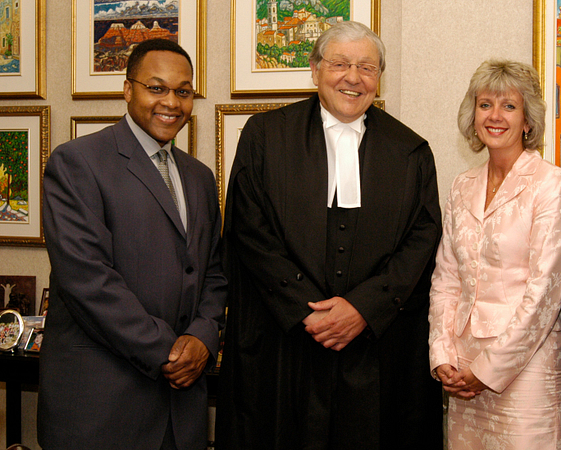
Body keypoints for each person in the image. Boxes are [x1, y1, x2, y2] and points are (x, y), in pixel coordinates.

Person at [216, 21, 443, 450]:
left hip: (375, 347)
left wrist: (361, 308)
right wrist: (309, 310)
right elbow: (248, 230)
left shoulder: (411, 150)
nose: (353, 78)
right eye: (340, 64)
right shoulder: (265, 136)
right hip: (286, 345)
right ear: (316, 69)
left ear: (379, 78)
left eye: (367, 67)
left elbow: (423, 240)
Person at [39, 39, 226, 450]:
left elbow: (213, 271)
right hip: (102, 407)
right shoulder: (78, 162)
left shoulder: (199, 177)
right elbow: (87, 280)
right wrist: (168, 351)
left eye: (183, 91)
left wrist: (203, 337)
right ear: (128, 90)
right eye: (156, 88)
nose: (171, 102)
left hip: (181, 411)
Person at [429, 59, 561, 448]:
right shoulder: (462, 185)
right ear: (472, 114)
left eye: (509, 106)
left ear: (528, 120)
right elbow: (447, 278)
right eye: (485, 104)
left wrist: (488, 370)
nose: (495, 116)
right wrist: (442, 355)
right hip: (462, 370)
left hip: (525, 372)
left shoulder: (550, 184)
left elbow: (546, 293)